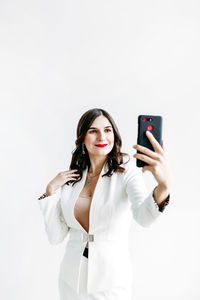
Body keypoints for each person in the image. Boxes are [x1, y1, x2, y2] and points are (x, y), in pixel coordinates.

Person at [38, 108, 171, 300]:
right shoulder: (71, 178)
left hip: (110, 284)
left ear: (114, 135)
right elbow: (56, 237)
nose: (102, 136)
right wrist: (50, 192)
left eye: (108, 130)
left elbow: (144, 217)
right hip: (71, 282)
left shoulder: (127, 172)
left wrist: (164, 186)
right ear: (83, 138)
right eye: (93, 131)